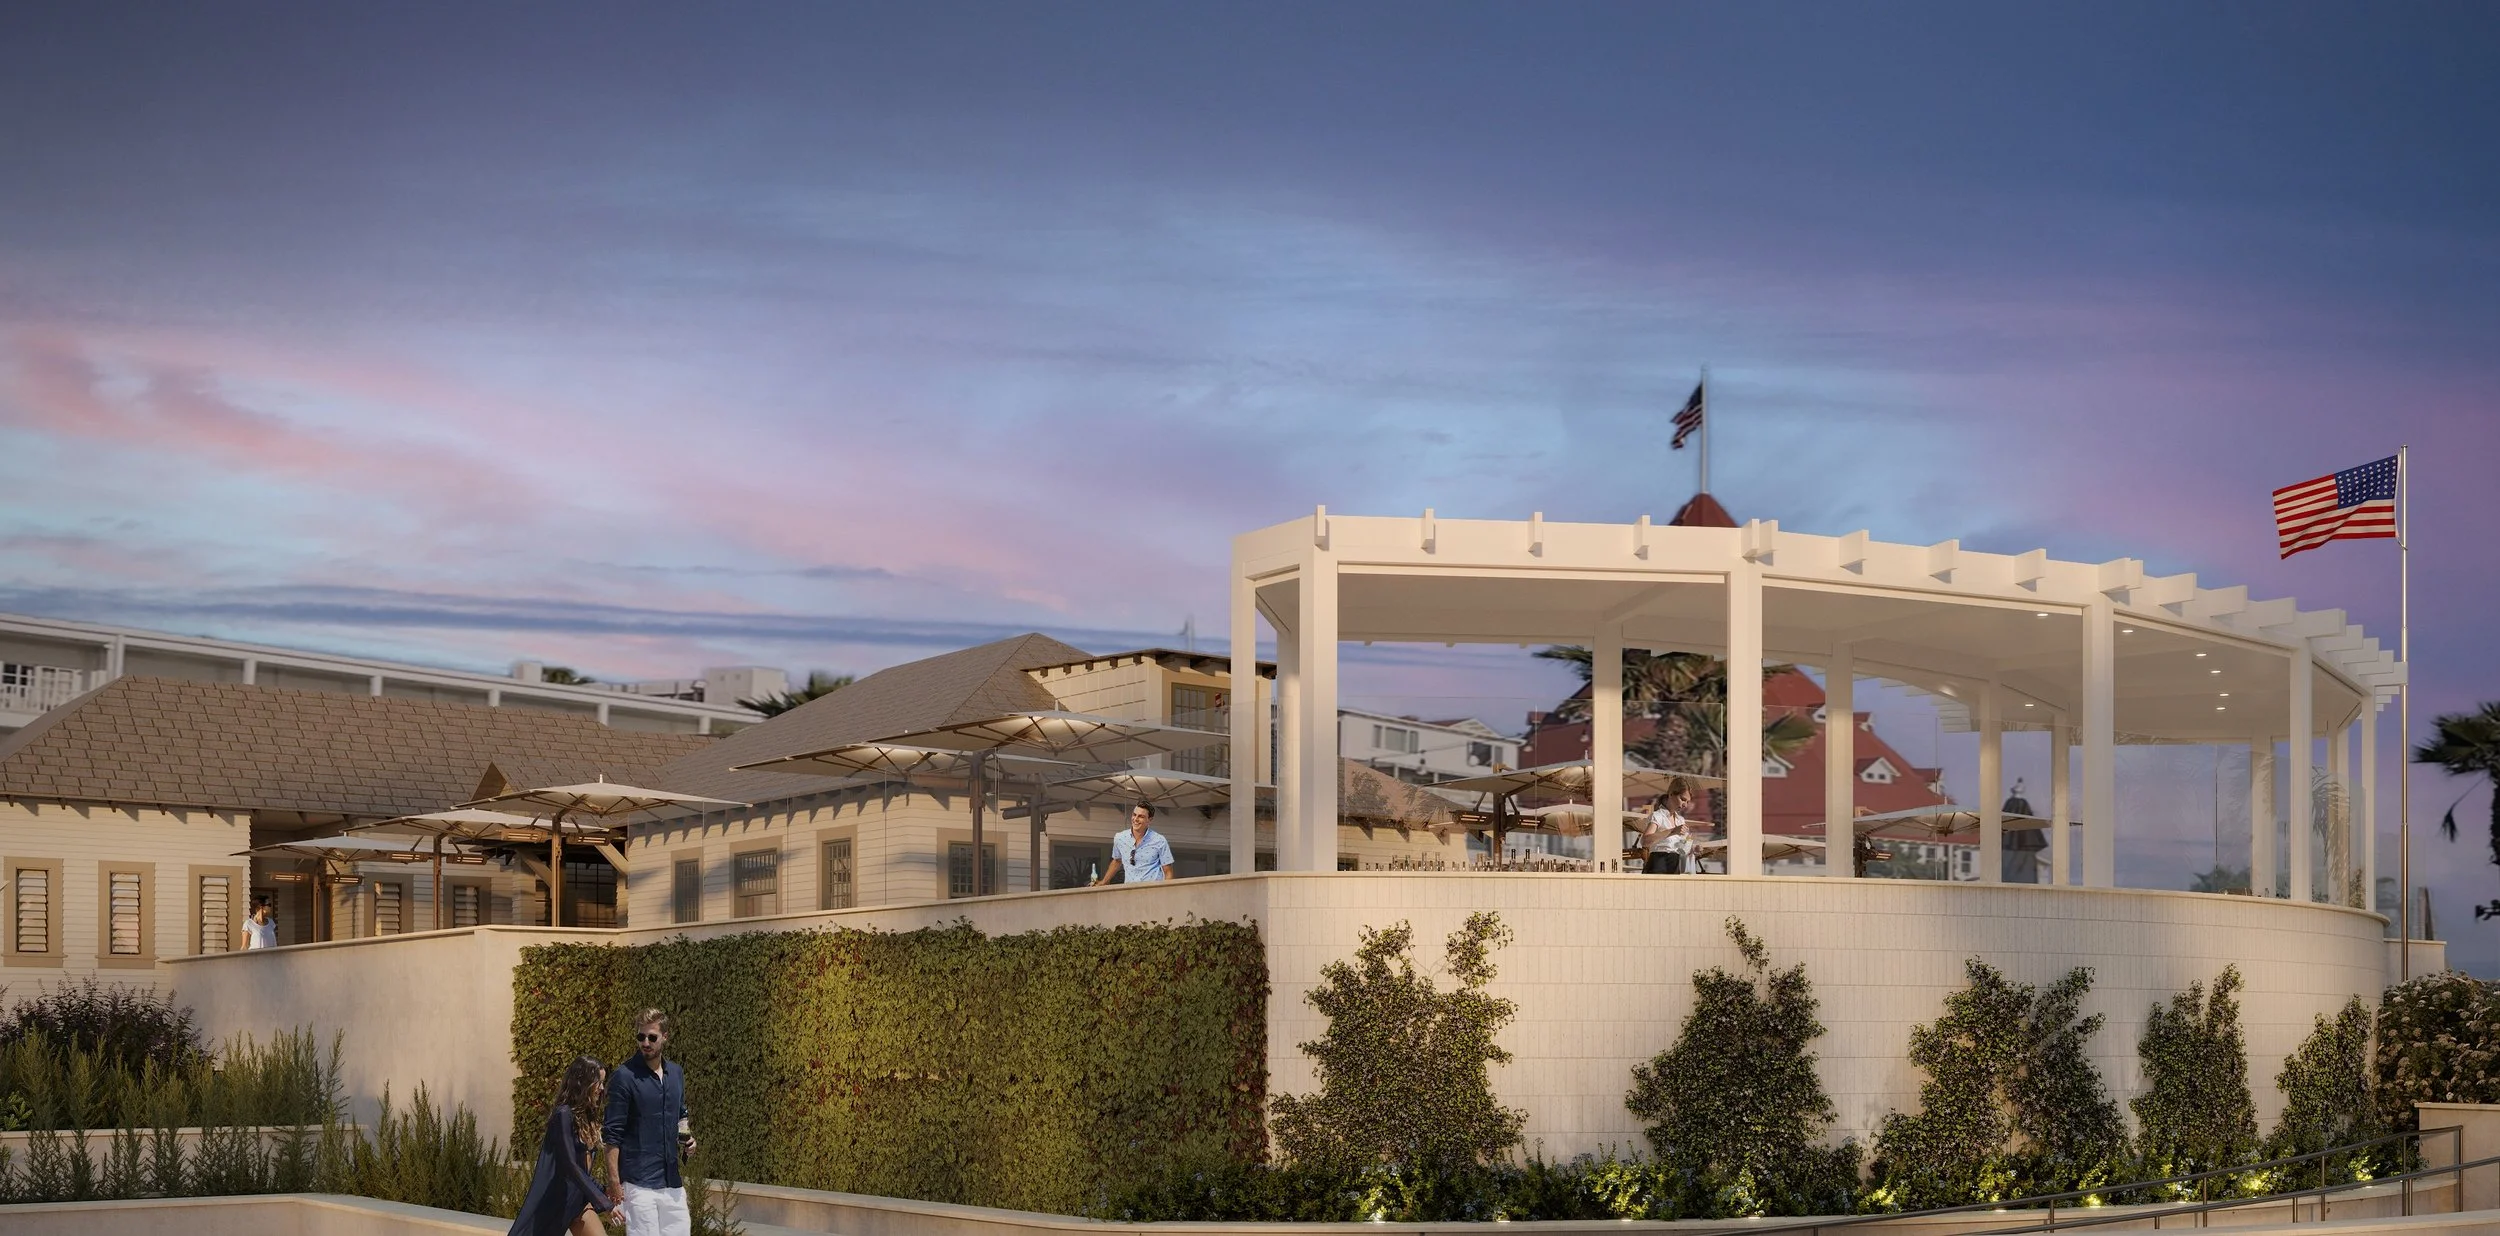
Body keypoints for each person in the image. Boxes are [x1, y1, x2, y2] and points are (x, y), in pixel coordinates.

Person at [604, 1009, 696, 1236]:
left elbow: (680, 1112)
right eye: (641, 1037)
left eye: (652, 1037)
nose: (645, 1042)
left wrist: (688, 1138)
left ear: (665, 1036)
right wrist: (615, 1183)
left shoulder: (676, 1073)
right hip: (638, 1184)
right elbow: (612, 1135)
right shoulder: (624, 1076)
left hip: (672, 1182)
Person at [509, 1057, 621, 1236]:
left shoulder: (588, 1117)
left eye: (603, 1082)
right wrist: (604, 1203)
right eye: (597, 1082)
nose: (601, 1088)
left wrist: (604, 1191)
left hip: (579, 1201)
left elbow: (583, 1170)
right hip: (555, 1201)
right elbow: (570, 1165)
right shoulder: (563, 1115)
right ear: (582, 1082)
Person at [1093, 802, 1176, 885]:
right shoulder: (1120, 838)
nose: (1135, 819)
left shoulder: (1159, 840)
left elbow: (1168, 872)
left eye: (1141, 816)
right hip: (1130, 891)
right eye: (1134, 814)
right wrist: (1104, 881)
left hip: (1153, 891)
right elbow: (1117, 861)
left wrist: (1166, 894)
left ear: (1149, 819)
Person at [1639, 778, 1697, 874]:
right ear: (1671, 794)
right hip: (1658, 865)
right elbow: (1645, 841)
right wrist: (1672, 831)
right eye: (1683, 799)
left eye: (1687, 802)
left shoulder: (1680, 820)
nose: (1685, 805)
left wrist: (1693, 848)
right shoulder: (1657, 816)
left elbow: (1682, 847)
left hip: (1675, 866)